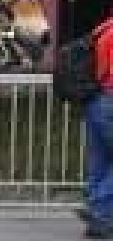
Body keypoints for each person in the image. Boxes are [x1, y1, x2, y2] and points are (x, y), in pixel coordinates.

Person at [84, 14, 113, 238]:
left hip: (96, 99)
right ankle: (101, 213)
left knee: (100, 161)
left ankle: (96, 215)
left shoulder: (103, 29)